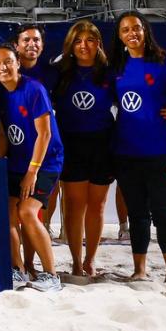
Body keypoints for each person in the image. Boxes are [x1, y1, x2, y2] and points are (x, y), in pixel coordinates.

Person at [109, 10, 166, 283]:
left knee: (163, 213)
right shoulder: (116, 67)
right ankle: (140, 270)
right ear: (120, 37)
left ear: (145, 30)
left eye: (136, 27)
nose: (132, 33)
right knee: (138, 215)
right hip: (127, 152)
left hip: (162, 152)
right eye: (125, 30)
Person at [0, 42, 65, 292]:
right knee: (7, 215)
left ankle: (52, 275)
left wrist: (32, 172)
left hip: (44, 162)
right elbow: (2, 136)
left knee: (27, 213)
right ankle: (18, 270)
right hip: (16, 164)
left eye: (8, 62)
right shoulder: (0, 96)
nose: (3, 67)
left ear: (18, 63)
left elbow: (44, 135)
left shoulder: (34, 89)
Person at [48, 20, 115, 280]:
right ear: (70, 45)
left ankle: (91, 260)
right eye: (78, 41)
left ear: (98, 43)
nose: (84, 46)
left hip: (102, 143)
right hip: (71, 143)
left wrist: (163, 110)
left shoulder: (109, 72)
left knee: (97, 205)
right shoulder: (59, 72)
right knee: (75, 205)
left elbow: (134, 100)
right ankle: (76, 262)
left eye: (89, 40)